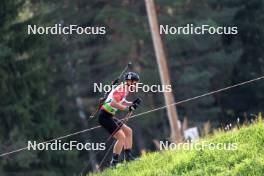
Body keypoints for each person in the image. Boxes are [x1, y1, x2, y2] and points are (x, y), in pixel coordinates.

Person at [98, 72, 141, 167]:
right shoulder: (122, 89)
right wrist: (127, 109)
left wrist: (132, 104)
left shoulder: (125, 89)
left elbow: (122, 101)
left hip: (109, 116)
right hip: (104, 116)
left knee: (128, 131)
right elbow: (113, 103)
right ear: (129, 81)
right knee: (121, 137)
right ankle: (113, 164)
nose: (137, 84)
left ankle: (129, 158)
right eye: (135, 82)